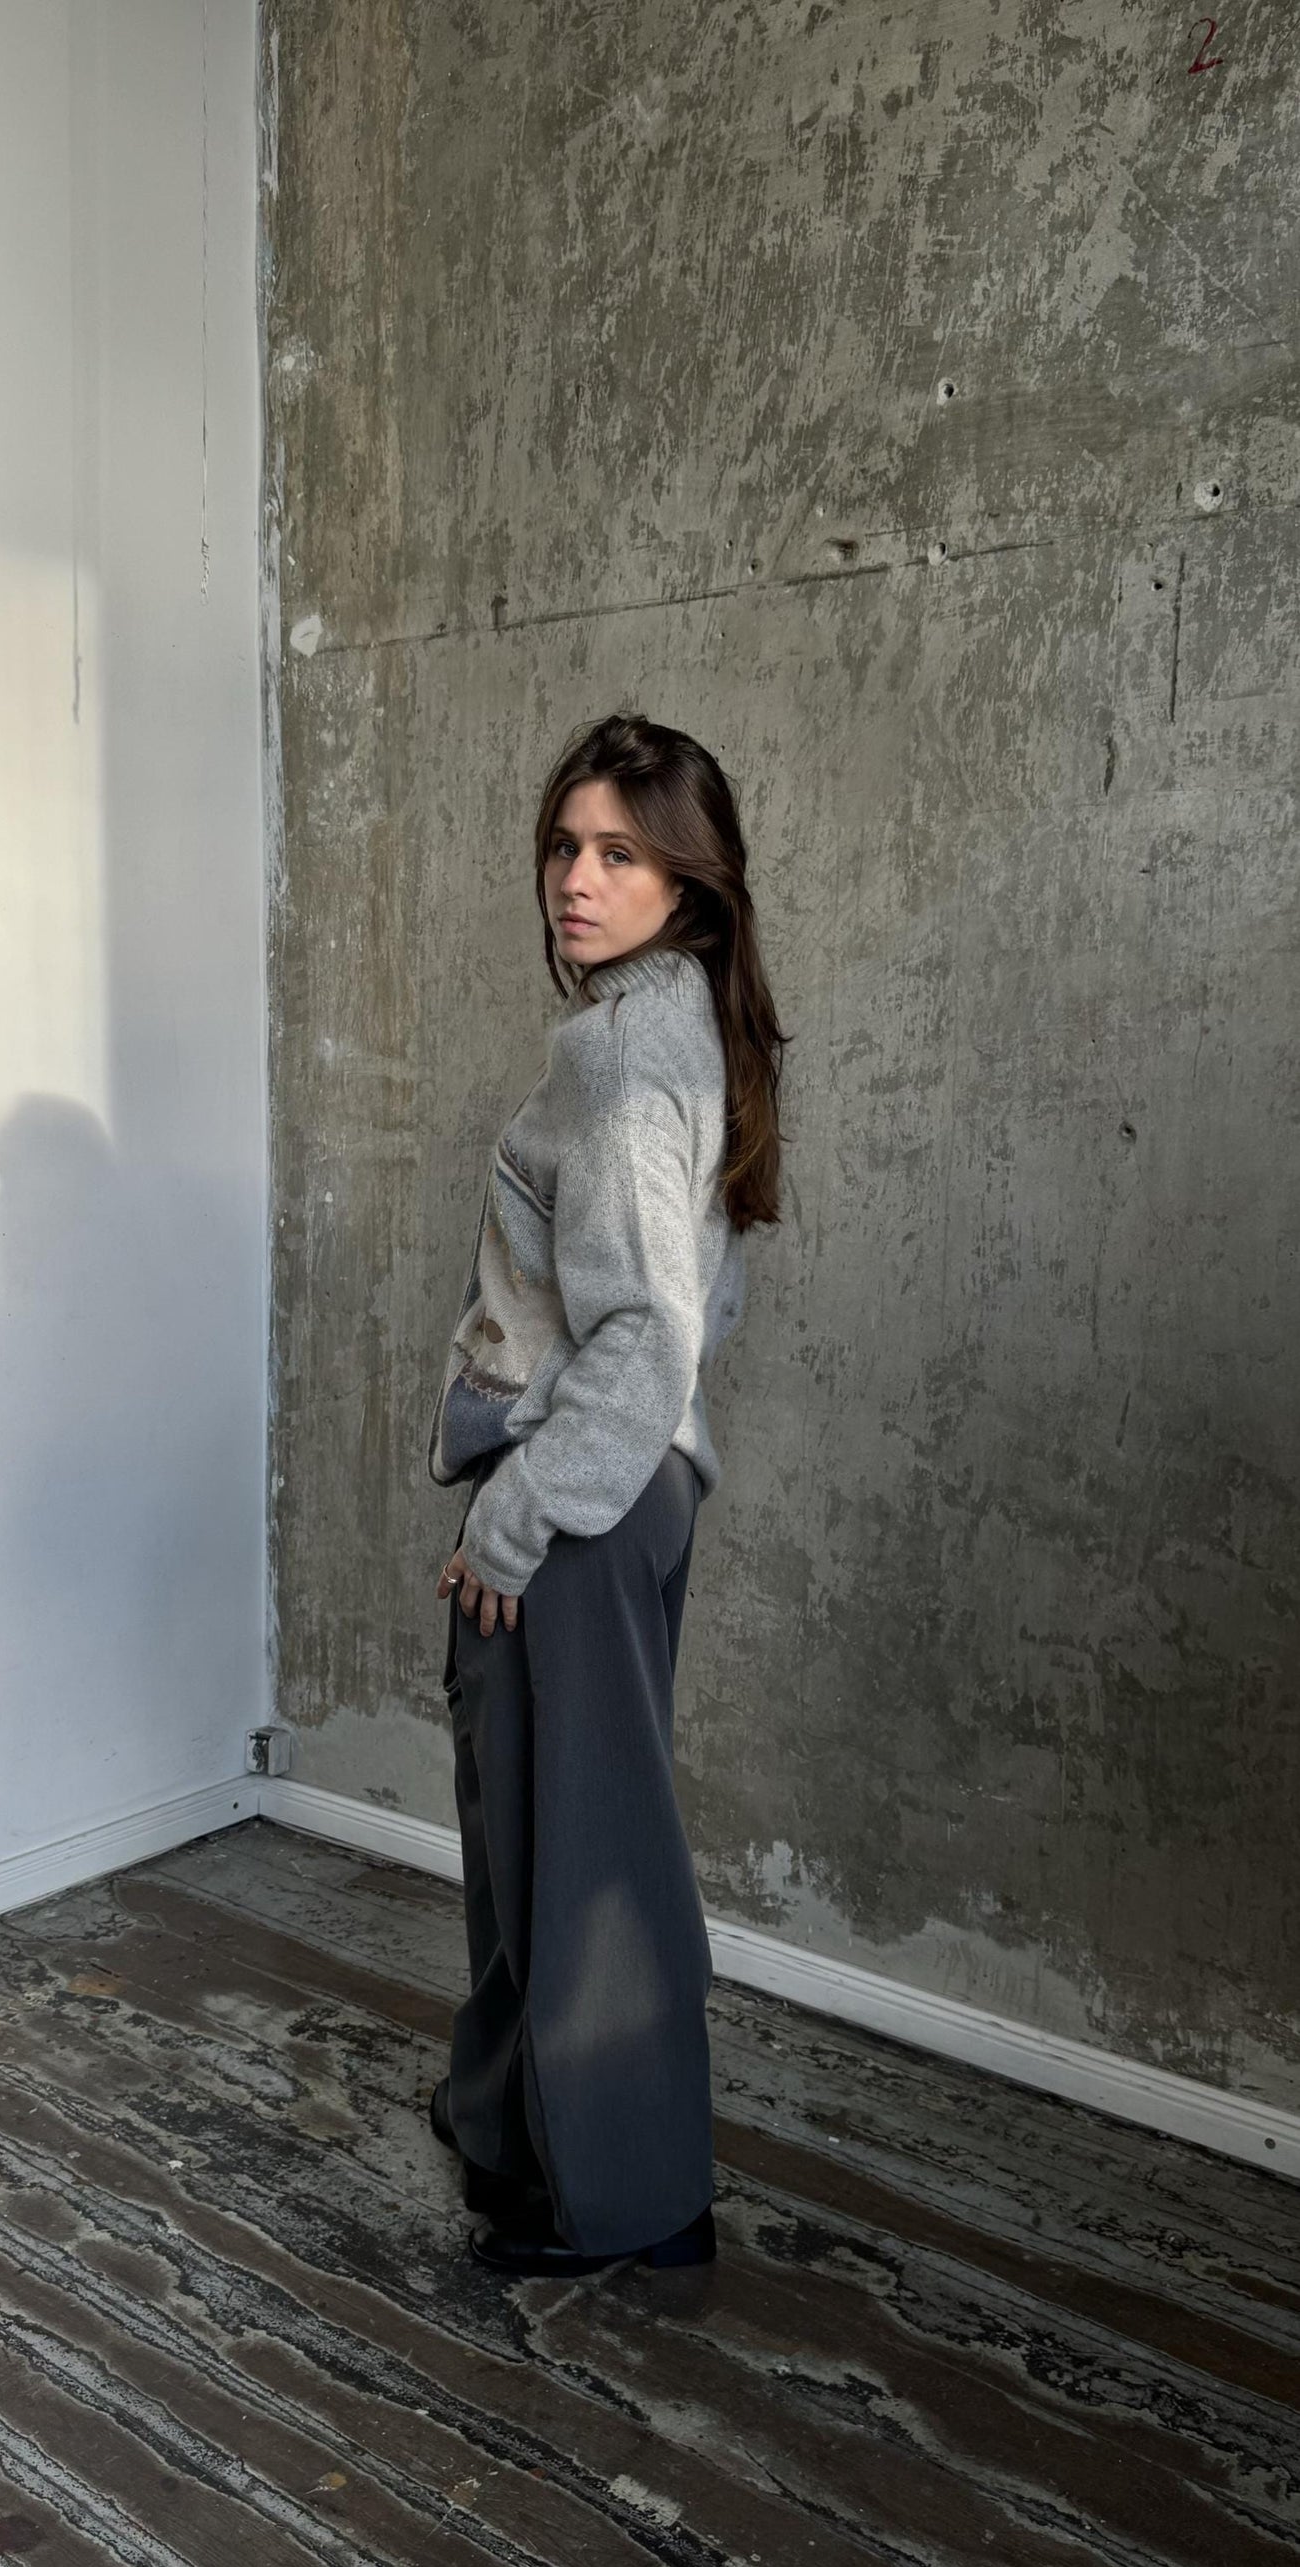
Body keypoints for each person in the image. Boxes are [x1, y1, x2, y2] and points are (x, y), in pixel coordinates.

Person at [427, 710, 788, 2277]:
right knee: (529, 1832)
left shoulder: (635, 1048)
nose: (576, 878)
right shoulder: (671, 1022)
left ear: (686, 881)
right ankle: (510, 2127)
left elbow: (648, 1327)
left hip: (580, 1496)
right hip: (606, 1482)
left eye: (618, 853)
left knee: (588, 1864)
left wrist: (517, 1515)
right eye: (565, 847)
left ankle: (636, 2205)